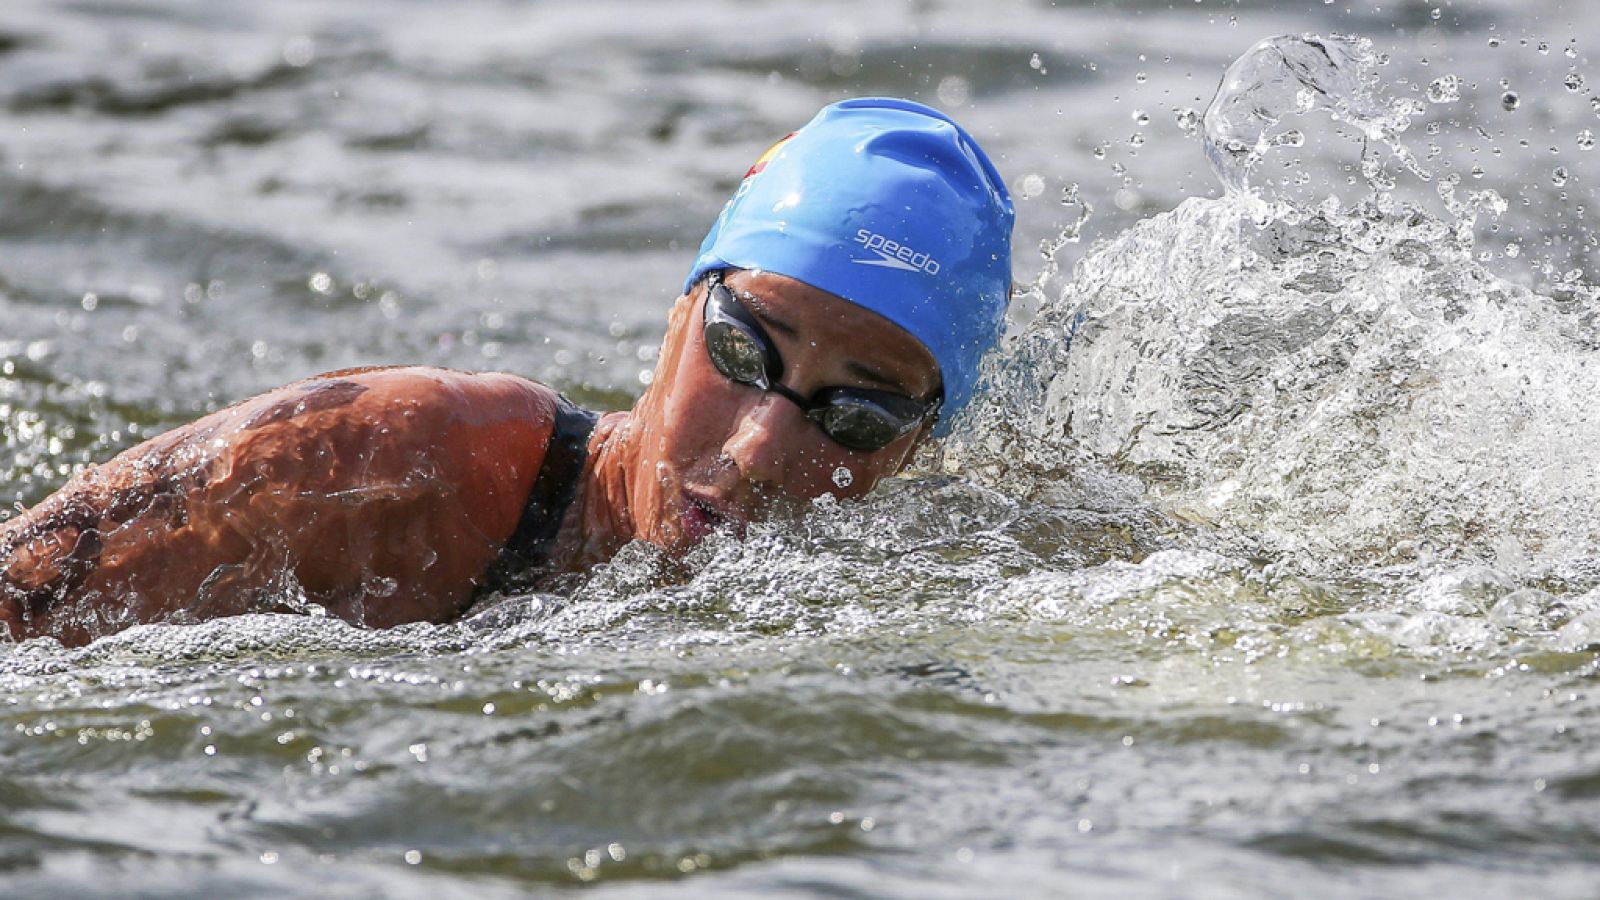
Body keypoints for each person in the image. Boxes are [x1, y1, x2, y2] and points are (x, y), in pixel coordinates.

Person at [0, 97, 1014, 646]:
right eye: (744, 349)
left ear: (918, 444)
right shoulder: (395, 459)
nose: (757, 447)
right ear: (680, 309)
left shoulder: (923, 578)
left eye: (858, 415)